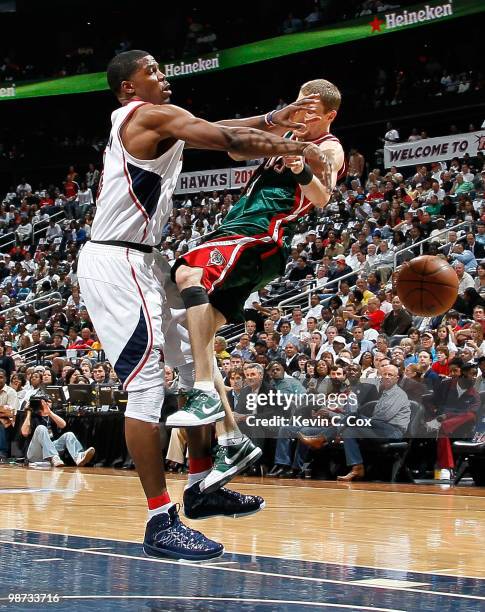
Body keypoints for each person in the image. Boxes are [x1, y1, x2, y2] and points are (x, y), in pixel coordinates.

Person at [77, 50, 325, 562]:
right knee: (146, 390)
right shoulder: (147, 116)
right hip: (118, 262)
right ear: (129, 88)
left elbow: (218, 126)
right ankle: (158, 520)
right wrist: (295, 146)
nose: (163, 75)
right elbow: (227, 139)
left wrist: (274, 117)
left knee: (198, 362)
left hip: (143, 258)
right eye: (153, 70)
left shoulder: (164, 121)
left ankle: (202, 485)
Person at [20, 394, 95, 467]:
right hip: (35, 453)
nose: (48, 404)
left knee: (69, 435)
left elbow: (63, 425)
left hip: (51, 448)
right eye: (46, 402)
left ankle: (79, 457)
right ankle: (54, 457)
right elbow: (25, 433)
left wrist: (49, 413)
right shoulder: (30, 416)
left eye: (49, 402)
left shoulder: (52, 414)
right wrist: (29, 412)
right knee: (41, 428)